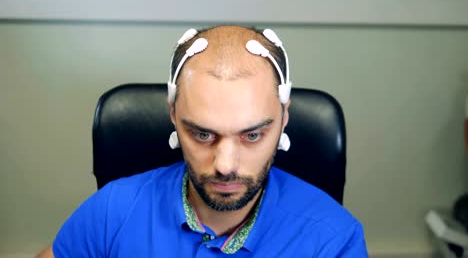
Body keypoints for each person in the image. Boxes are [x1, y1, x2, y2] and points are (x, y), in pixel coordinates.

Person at [37, 25, 368, 257]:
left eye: (252, 135)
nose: (225, 166)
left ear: (283, 118)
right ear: (173, 116)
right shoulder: (112, 212)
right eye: (202, 134)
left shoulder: (334, 240)